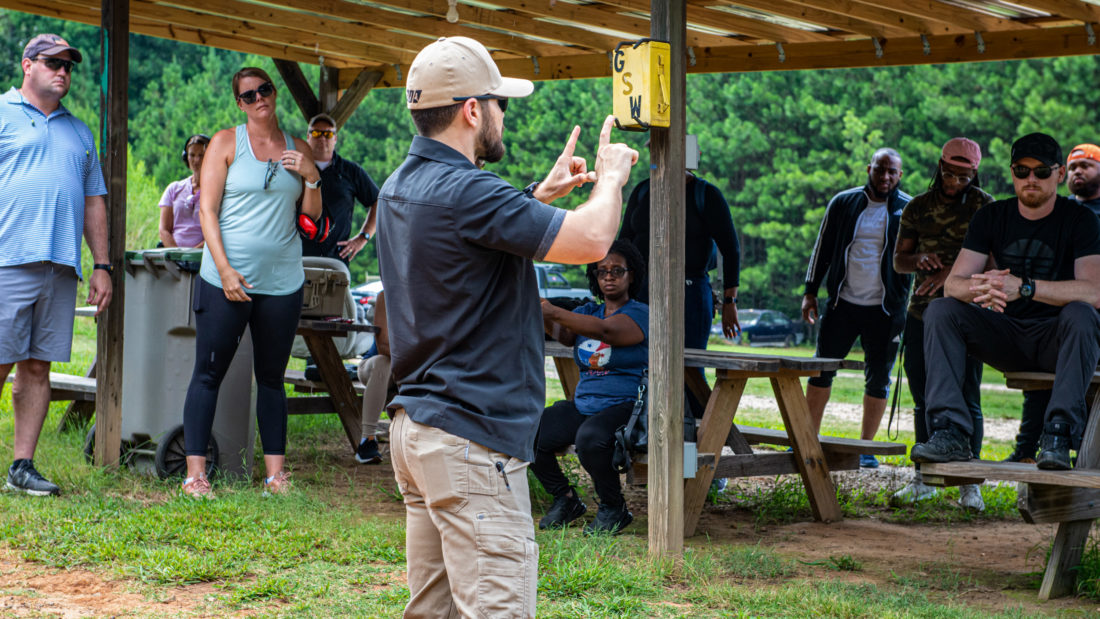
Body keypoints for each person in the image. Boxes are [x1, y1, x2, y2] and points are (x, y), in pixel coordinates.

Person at [376, 36, 638, 618]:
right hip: (471, 441)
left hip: (419, 431)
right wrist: (611, 178)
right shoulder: (469, 191)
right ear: (473, 110)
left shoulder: (401, 186)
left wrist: (538, 199)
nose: (501, 116)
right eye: (500, 103)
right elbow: (593, 241)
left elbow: (464, 249)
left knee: (432, 611)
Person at [910, 133, 1100, 471]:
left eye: (1042, 172)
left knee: (1082, 313)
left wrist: (1025, 287)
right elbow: (953, 285)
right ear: (1012, 172)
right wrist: (983, 286)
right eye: (1022, 170)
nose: (1031, 179)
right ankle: (950, 431)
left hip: (1056, 337)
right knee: (941, 310)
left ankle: (1057, 435)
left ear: (1059, 175)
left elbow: (1094, 292)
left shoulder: (1081, 219)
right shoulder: (992, 216)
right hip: (1006, 332)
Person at [179, 67, 322, 498]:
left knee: (273, 378)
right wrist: (223, 269)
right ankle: (195, 476)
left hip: (282, 282)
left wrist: (312, 174)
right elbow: (206, 211)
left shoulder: (297, 147)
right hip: (226, 280)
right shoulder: (225, 143)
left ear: (274, 93)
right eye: (248, 95)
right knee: (208, 373)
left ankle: (275, 477)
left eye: (265, 89)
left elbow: (312, 217)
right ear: (238, 103)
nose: (258, 98)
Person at [0, 34, 110, 496]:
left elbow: (94, 202)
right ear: (28, 65)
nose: (63, 71)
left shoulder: (80, 132)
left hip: (60, 267)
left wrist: (102, 264)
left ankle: (22, 467)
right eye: (53, 63)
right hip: (7, 261)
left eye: (69, 65)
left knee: (37, 368)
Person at [891, 138, 992, 510]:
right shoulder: (918, 206)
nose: (954, 182)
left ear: (974, 173)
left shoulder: (985, 206)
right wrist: (919, 259)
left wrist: (954, 273)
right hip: (921, 313)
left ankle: (969, 483)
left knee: (968, 395)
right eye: (949, 173)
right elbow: (898, 261)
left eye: (963, 177)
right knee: (924, 398)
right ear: (939, 166)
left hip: (967, 316)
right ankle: (924, 478)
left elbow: (995, 264)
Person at [802, 148, 912, 468]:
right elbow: (821, 248)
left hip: (886, 310)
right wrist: (810, 292)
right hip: (842, 304)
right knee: (821, 370)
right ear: (869, 168)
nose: (885, 177)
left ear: (900, 175)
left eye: (892, 172)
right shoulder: (844, 202)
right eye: (880, 170)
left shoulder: (908, 210)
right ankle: (806, 440)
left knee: (878, 378)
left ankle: (865, 448)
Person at [533, 240, 648, 534]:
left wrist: (555, 311)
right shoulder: (590, 311)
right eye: (601, 272)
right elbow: (567, 336)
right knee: (528, 432)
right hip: (586, 404)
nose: (608, 276)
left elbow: (608, 332)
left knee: (591, 439)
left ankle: (613, 508)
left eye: (617, 270)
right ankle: (566, 498)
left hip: (626, 405)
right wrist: (543, 314)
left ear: (631, 275)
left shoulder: (640, 314)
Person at [1001, 143, 1100, 463]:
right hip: (1054, 313)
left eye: (1086, 165)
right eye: (1072, 168)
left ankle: (1082, 458)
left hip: (1090, 314)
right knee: (1038, 384)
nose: (1078, 172)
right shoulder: (1057, 213)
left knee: (1085, 391)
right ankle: (1027, 450)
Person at [302, 113, 379, 263]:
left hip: (336, 261)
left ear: (335, 138)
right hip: (296, 262)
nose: (322, 138)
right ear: (308, 136)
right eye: (316, 133)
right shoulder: (296, 169)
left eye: (328, 134)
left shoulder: (351, 171)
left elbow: (379, 202)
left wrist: (364, 237)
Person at [355, 290, 391, 464]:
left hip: (409, 368)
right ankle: (367, 441)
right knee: (383, 362)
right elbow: (383, 345)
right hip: (373, 366)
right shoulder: (386, 296)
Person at [158, 133, 210, 248]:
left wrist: (191, 255)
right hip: (173, 258)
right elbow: (164, 230)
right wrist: (178, 256)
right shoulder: (174, 189)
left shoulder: (218, 191)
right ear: (186, 157)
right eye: (192, 155)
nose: (196, 160)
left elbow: (219, 233)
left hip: (204, 256)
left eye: (201, 155)